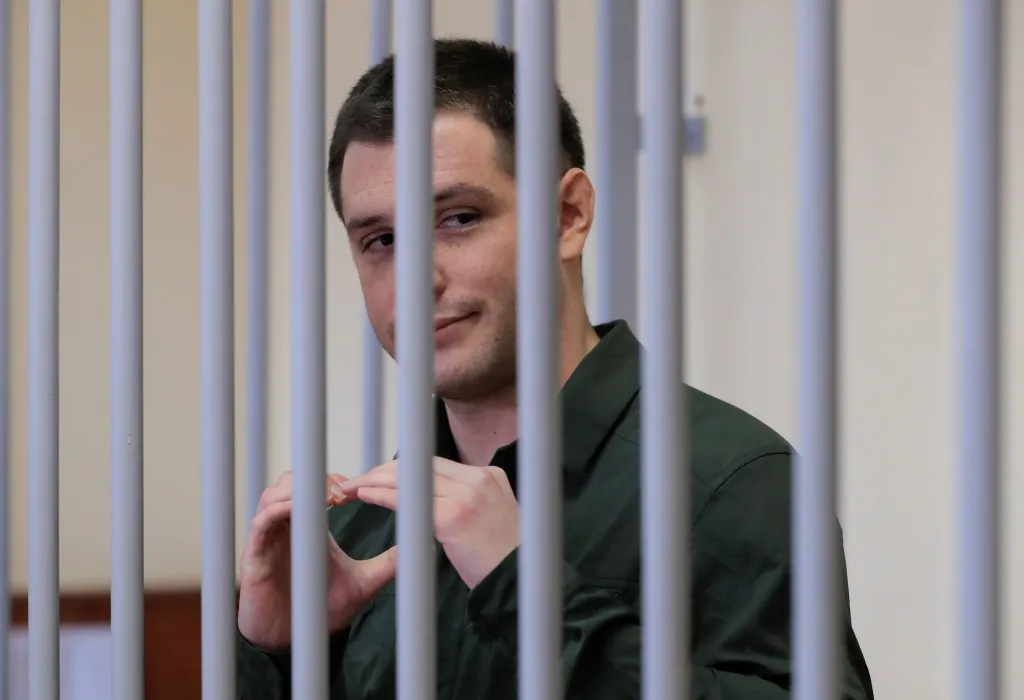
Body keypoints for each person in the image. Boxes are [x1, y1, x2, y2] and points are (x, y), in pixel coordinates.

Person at [235, 38, 874, 699]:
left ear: (568, 216)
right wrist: (274, 655)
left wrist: (529, 593)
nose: (414, 278)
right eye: (382, 240)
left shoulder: (730, 484)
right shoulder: (359, 533)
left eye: (458, 219)